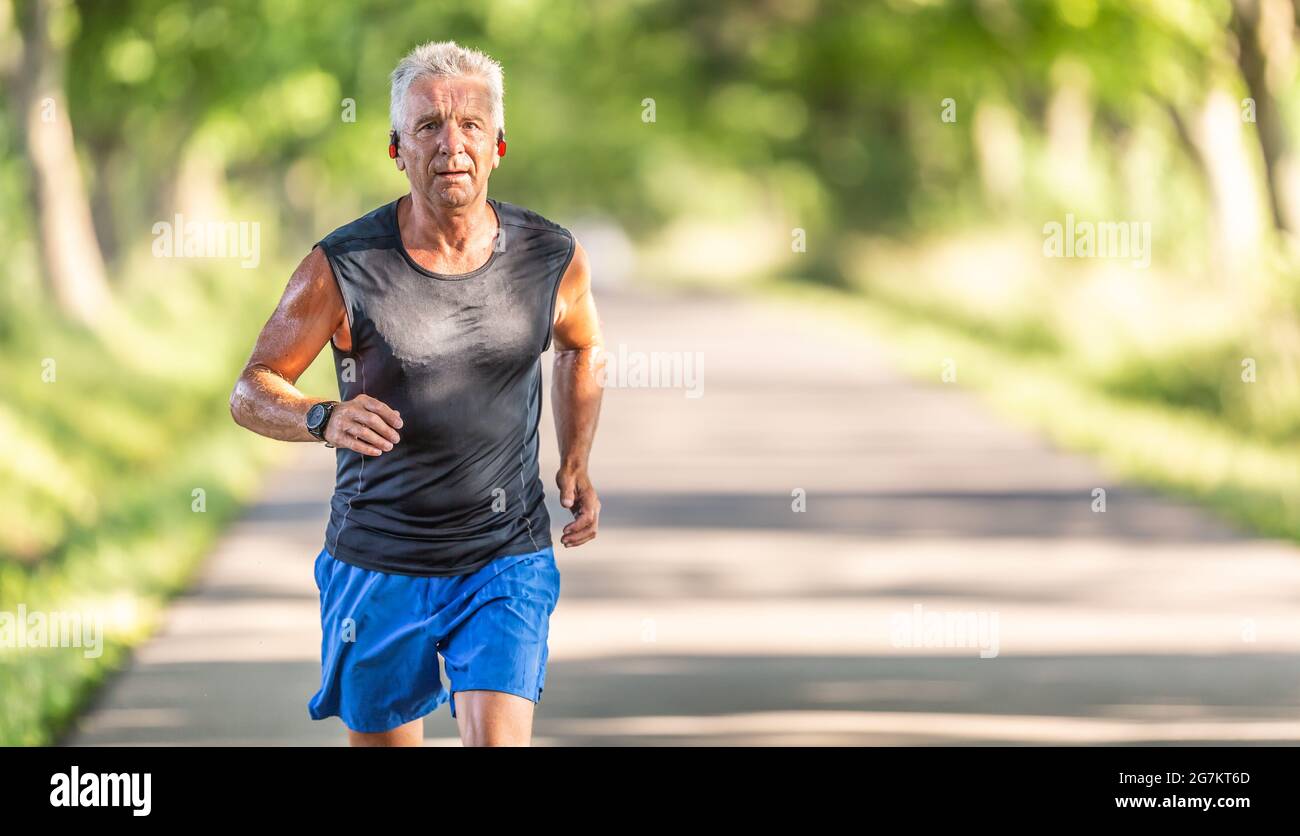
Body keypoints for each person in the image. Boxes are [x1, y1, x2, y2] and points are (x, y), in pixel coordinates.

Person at [229, 40, 604, 746]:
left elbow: (582, 345)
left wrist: (575, 461)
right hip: (377, 563)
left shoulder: (550, 257)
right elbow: (251, 388)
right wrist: (322, 416)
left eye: (469, 126)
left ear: (498, 145)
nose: (450, 144)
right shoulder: (342, 266)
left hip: (505, 553)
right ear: (397, 149)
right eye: (428, 126)